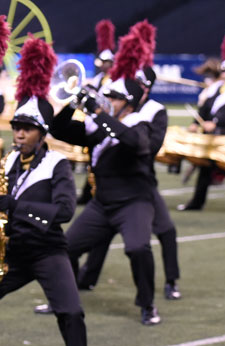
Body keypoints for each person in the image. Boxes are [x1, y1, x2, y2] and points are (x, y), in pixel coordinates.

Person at [0, 37, 97, 346]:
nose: (19, 133)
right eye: (17, 127)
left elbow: (66, 211)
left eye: (27, 128)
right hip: (13, 252)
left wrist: (14, 206)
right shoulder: (9, 161)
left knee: (70, 312)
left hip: (48, 251)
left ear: (42, 134)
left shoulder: (56, 164)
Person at [51, 31, 161, 326]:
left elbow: (134, 143)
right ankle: (64, 297)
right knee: (65, 247)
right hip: (102, 204)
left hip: (134, 203)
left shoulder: (140, 123)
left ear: (127, 102)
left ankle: (147, 304)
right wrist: (74, 104)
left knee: (138, 248)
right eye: (106, 96)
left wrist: (99, 112)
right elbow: (59, 131)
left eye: (113, 97)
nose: (107, 99)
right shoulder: (99, 125)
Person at [75, 23, 182, 301]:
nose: (141, 89)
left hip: (141, 182)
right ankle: (86, 279)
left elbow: (150, 147)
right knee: (100, 235)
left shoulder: (154, 111)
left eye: (144, 86)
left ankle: (171, 281)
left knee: (166, 230)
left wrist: (110, 123)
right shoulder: (115, 105)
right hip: (109, 183)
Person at [177, 30, 225, 214]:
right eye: (223, 69)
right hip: (213, 136)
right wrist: (196, 122)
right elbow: (205, 108)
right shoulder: (216, 88)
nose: (223, 72)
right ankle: (197, 202)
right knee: (205, 169)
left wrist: (216, 123)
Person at [78, 19, 116, 206]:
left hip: (108, 122)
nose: (103, 65)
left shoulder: (115, 81)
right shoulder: (98, 78)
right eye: (101, 62)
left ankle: (93, 193)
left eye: (106, 62)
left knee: (101, 157)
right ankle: (89, 192)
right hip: (95, 121)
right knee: (92, 157)